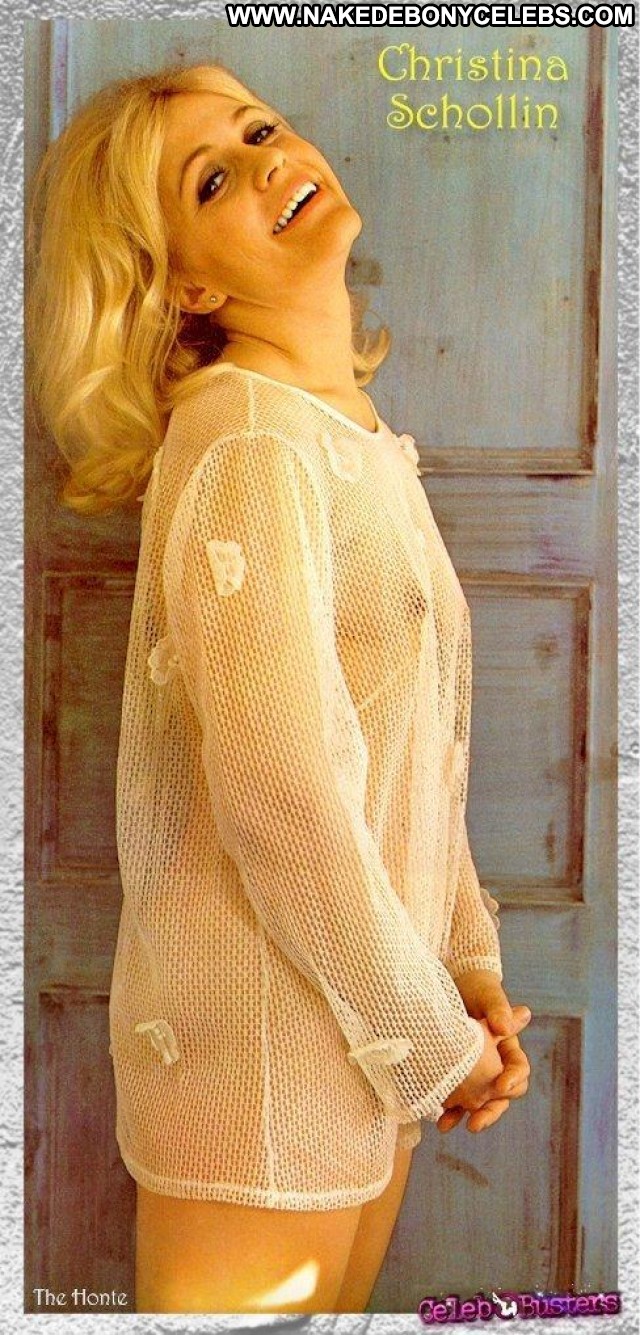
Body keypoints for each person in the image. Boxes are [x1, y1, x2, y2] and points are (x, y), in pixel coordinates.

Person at [27, 60, 531, 1316]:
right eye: (212, 180)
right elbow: (282, 801)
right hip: (261, 1054)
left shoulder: (350, 436)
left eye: (258, 129)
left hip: (374, 1034)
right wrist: (431, 1041)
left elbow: (416, 754)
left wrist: (464, 970)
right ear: (186, 285)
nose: (266, 161)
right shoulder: (246, 439)